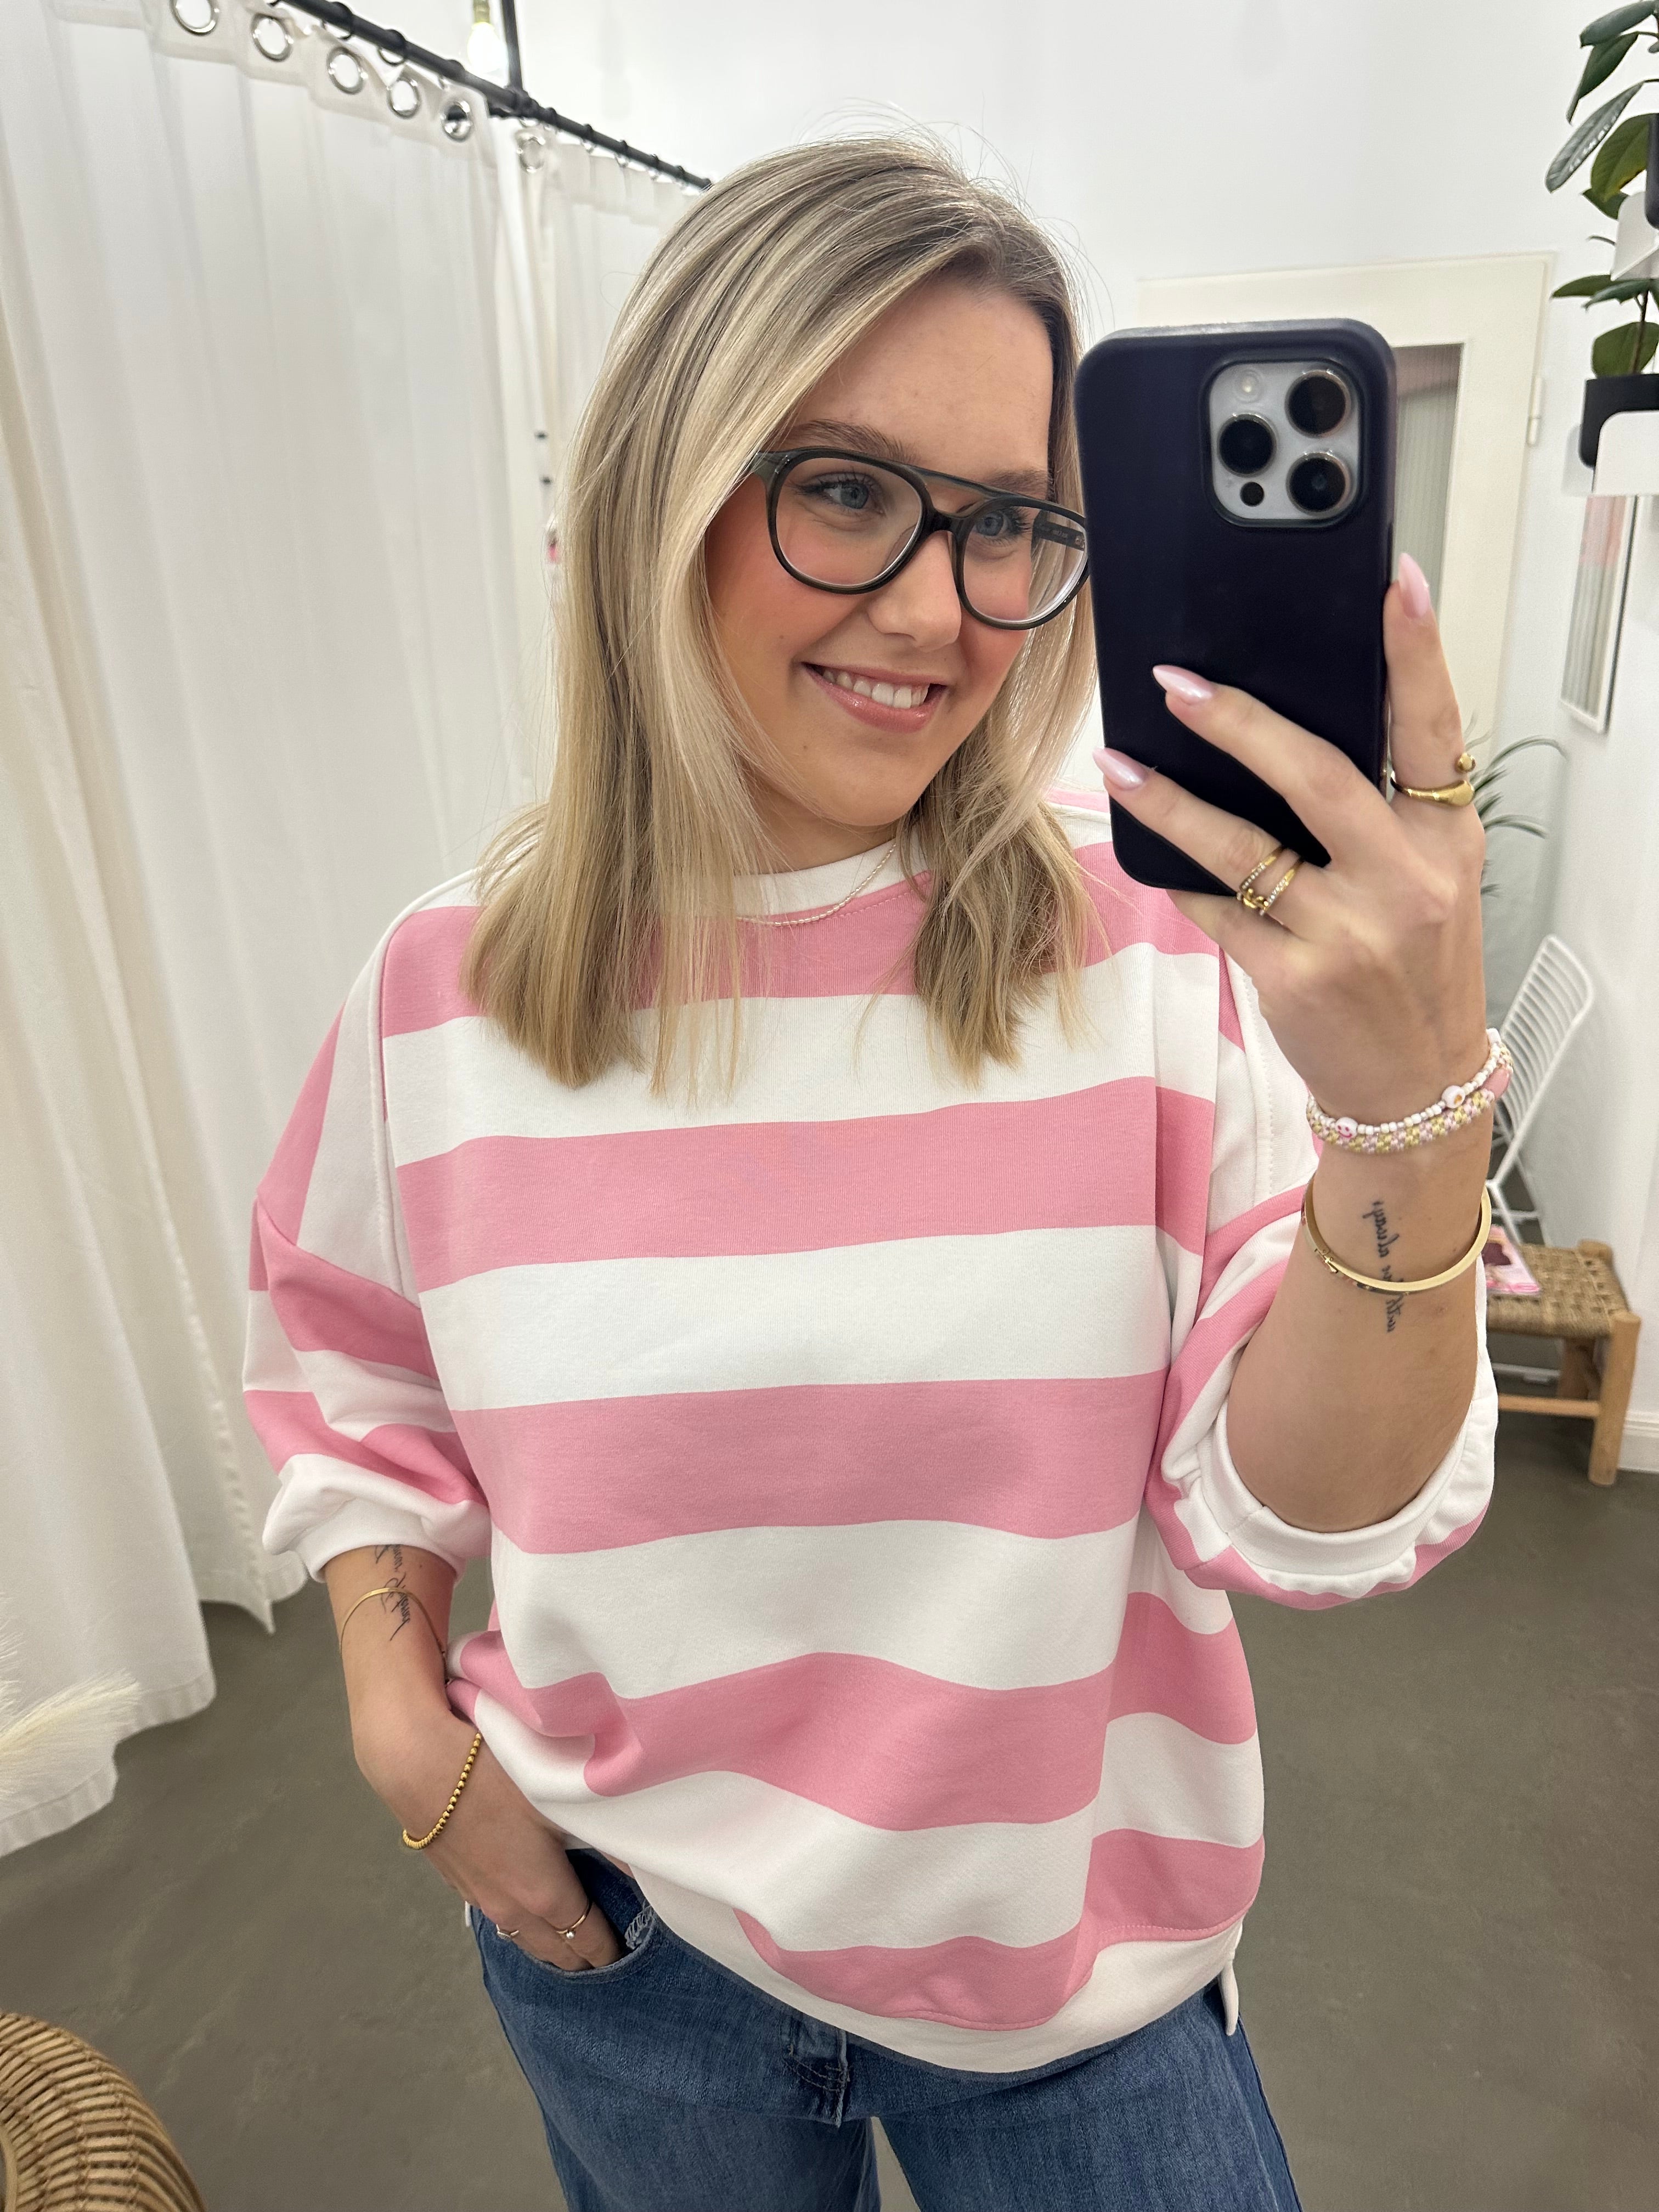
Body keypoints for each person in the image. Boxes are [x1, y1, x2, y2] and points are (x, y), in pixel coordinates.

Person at [245, 134, 1497, 2212]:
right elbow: (357, 1379)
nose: (938, 609)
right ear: (659, 490)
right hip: (624, 1952)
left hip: (1076, 1981)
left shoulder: (1153, 963)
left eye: (1010, 523)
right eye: (844, 489)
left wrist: (1415, 1105)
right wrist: (399, 1711)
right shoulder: (443, 991)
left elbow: (1305, 1512)